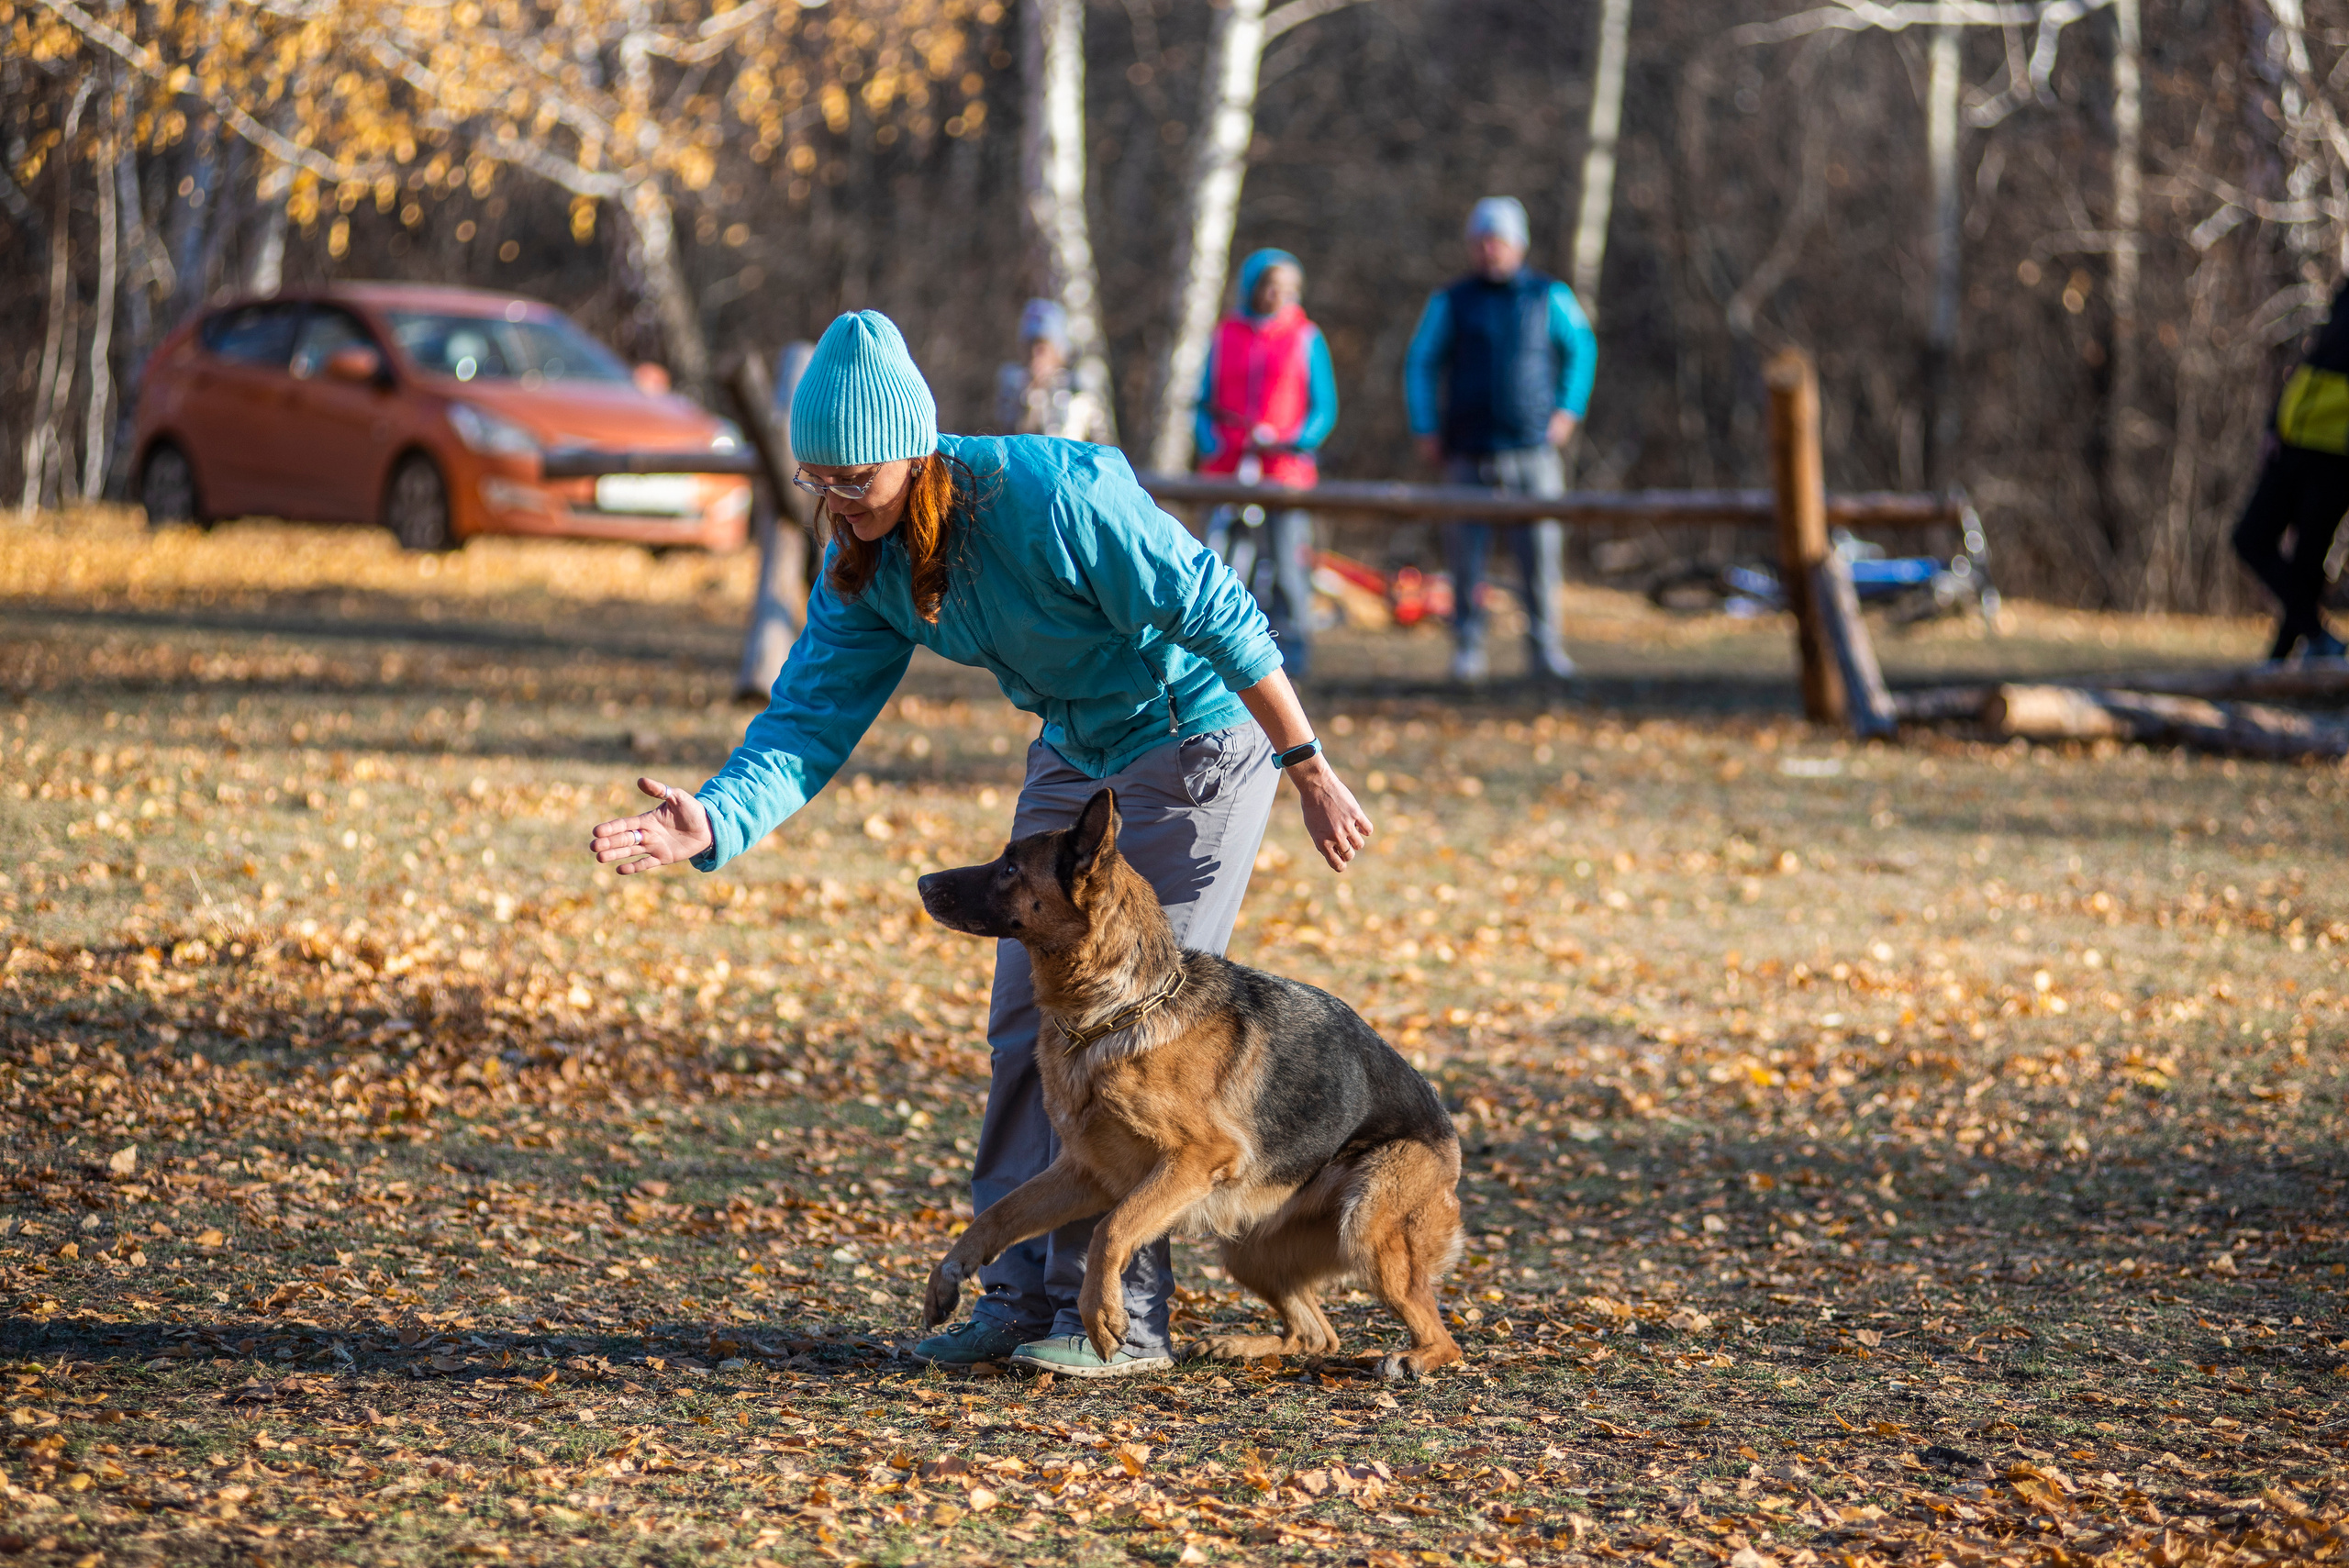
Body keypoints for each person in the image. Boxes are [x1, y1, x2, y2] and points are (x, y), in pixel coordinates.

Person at [588, 311, 1373, 1380]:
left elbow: (1222, 611)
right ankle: (1013, 1295)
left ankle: (1124, 1319)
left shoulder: (1050, 497)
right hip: (1077, 743)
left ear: (916, 447)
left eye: (855, 476)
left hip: (1194, 735)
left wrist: (1308, 764)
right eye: (817, 479)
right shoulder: (866, 560)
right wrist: (718, 815)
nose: (836, 501)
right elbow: (808, 719)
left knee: (1140, 1026)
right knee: (1026, 1022)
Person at [1404, 195, 1597, 684]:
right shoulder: (1451, 300)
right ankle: (1468, 650)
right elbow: (1421, 362)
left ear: (1518, 244)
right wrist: (1425, 425)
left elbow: (1581, 349)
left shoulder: (1548, 295)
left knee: (1541, 557)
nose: (1490, 250)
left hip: (1532, 447)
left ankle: (1545, 650)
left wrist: (1567, 411)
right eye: (1481, 241)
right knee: (1466, 560)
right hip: (1467, 449)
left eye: (1499, 240)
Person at [1195, 249, 1339, 681]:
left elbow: (1323, 408)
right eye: (1270, 285)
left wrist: (1294, 443)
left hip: (1284, 475)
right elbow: (1202, 402)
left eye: (1289, 288)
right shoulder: (1224, 335)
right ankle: (1215, 656)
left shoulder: (1306, 337)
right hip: (1227, 473)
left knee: (1288, 567)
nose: (1279, 295)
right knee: (1220, 566)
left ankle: (1293, 660)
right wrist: (1214, 442)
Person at [2234, 277, 2349, 662]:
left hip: (2336, 453)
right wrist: (2273, 424)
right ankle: (2315, 640)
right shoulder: (2346, 294)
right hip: (2294, 439)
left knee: (2308, 562)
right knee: (2250, 538)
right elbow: (2312, 362)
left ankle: (2279, 663)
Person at [995, 298, 1115, 443]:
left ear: (1058, 350)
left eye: (1042, 347)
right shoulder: (1013, 389)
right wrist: (1029, 399)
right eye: (1028, 346)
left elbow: (1103, 448)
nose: (1034, 354)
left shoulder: (1079, 391)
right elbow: (1005, 442)